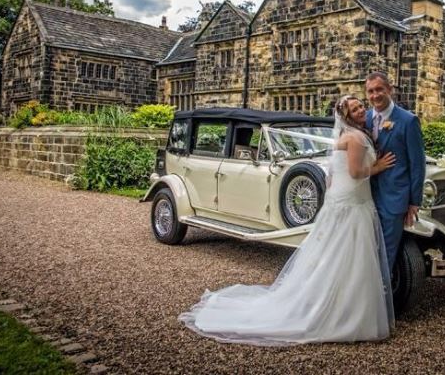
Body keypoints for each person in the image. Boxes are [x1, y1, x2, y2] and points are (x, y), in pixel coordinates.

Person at [179, 96, 396, 345]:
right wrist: (378, 166)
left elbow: (334, 173)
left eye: (360, 106)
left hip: (347, 198)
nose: (360, 110)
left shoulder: (352, 136)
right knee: (346, 253)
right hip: (352, 199)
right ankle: (342, 310)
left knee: (339, 254)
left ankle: (339, 304)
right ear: (345, 116)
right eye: (354, 108)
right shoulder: (355, 137)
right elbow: (356, 172)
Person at [365, 72, 426, 273]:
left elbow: (417, 164)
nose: (375, 95)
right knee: (366, 250)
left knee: (386, 255)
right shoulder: (363, 118)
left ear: (390, 89)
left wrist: (414, 202)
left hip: (394, 199)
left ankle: (381, 298)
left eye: (379, 89)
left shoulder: (408, 121)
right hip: (364, 197)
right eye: (370, 91)